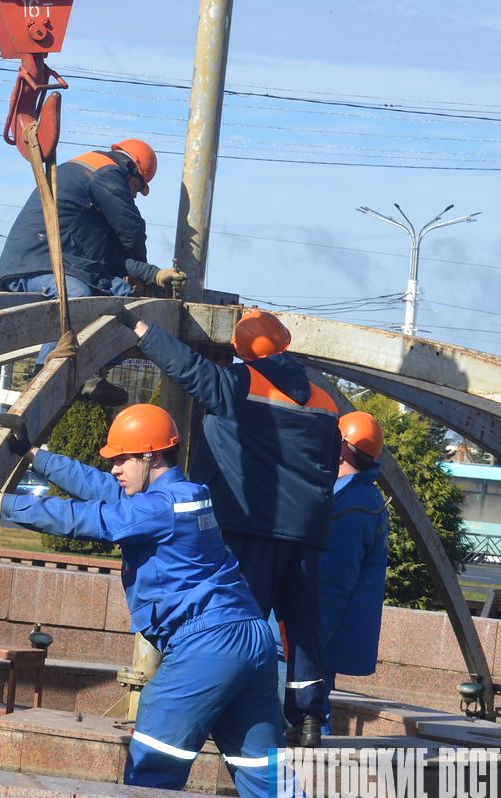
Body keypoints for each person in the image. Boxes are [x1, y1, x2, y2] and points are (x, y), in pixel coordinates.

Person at [0, 407, 282, 797]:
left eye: (123, 458)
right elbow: (104, 489)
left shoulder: (159, 508)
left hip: (206, 645)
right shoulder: (187, 494)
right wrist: (34, 455)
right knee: (264, 775)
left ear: (152, 456)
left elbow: (86, 518)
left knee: (153, 767)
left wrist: (1, 501)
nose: (114, 467)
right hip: (252, 638)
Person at [116, 307, 342, 748]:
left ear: (242, 352)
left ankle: (228, 710)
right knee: (300, 628)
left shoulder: (239, 384)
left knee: (237, 623)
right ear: (283, 345)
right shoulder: (326, 400)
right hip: (306, 534)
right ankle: (310, 718)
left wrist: (141, 328)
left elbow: (187, 368)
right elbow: (329, 466)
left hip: (248, 526)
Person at [0, 139, 185, 405]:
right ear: (130, 168)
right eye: (136, 188)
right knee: (79, 296)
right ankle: (44, 377)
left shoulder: (89, 194)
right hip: (34, 264)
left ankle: (92, 374)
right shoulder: (106, 172)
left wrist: (152, 275)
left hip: (67, 265)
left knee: (123, 300)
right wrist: (140, 262)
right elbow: (131, 229)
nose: (132, 196)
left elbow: (110, 259)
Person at [318, 411, 389, 734]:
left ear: (343, 448)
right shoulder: (357, 496)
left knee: (307, 717)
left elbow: (333, 585)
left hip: (319, 639)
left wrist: (306, 644)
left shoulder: (350, 504)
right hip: (329, 639)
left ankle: (306, 782)